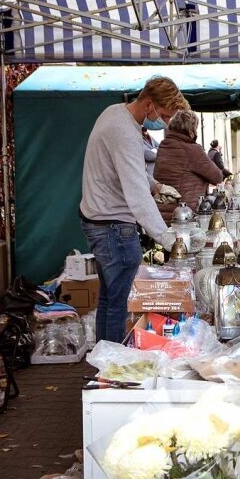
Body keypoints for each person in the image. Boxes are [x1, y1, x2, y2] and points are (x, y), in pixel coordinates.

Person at [80, 76, 187, 343]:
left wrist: (156, 186)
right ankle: (112, 368)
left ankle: (103, 360)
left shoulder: (114, 113)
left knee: (109, 299)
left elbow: (126, 171)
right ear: (149, 104)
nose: (163, 122)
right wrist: (166, 237)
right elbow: (137, 196)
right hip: (113, 225)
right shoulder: (125, 132)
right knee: (118, 304)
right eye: (162, 115)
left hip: (99, 220)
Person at [154, 110, 224, 221]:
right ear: (191, 131)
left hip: (160, 214)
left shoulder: (164, 145)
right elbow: (217, 177)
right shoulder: (192, 149)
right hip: (184, 216)